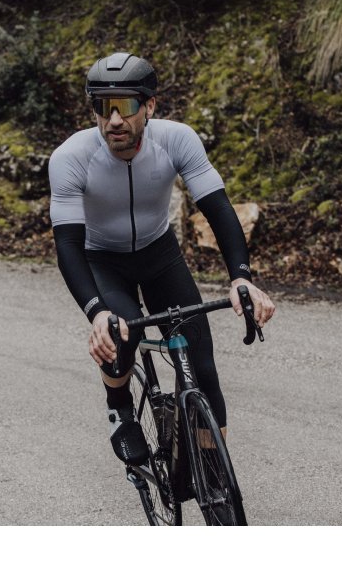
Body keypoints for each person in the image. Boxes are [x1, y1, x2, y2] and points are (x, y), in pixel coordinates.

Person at [48, 52, 275, 465]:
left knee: (202, 364)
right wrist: (97, 312)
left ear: (149, 105)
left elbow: (218, 209)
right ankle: (119, 407)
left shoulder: (176, 140)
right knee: (120, 333)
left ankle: (213, 473)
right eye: (103, 106)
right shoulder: (70, 158)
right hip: (102, 261)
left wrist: (241, 277)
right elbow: (67, 244)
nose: (114, 120)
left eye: (125, 105)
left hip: (159, 254)